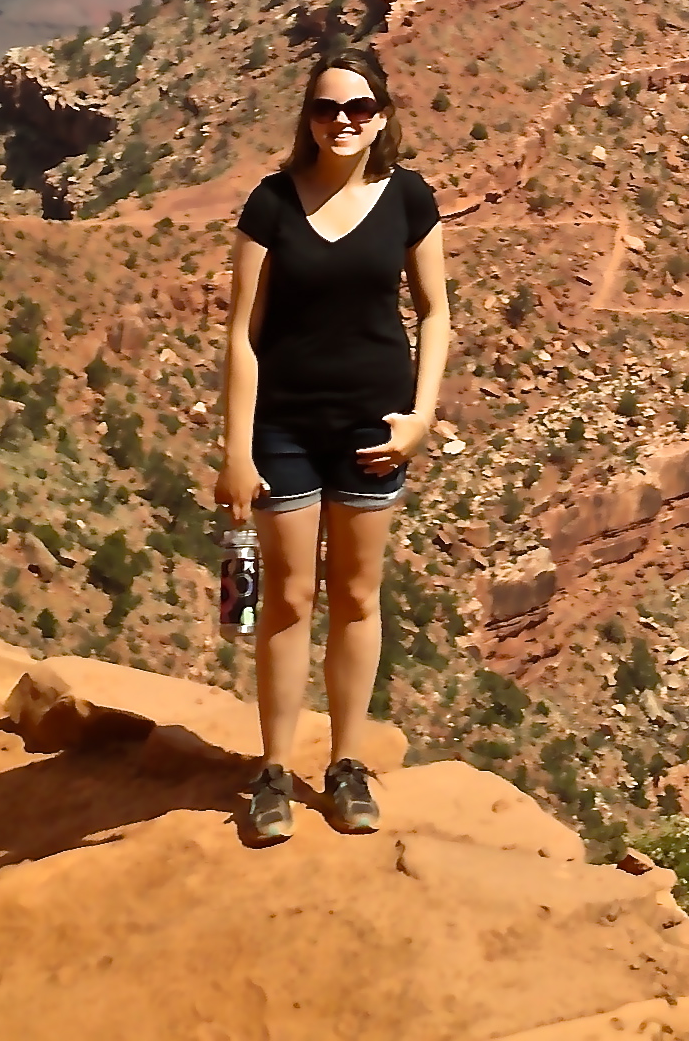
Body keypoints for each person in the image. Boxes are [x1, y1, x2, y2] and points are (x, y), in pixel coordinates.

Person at [215, 46, 451, 844]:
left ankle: (347, 765)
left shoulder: (409, 197)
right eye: (326, 108)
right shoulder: (272, 203)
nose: (342, 121)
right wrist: (236, 450)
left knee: (355, 594)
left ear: (381, 117)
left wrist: (422, 415)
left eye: (358, 108)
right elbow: (243, 332)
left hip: (372, 428)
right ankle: (274, 772)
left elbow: (436, 311)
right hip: (283, 426)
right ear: (308, 118)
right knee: (286, 600)